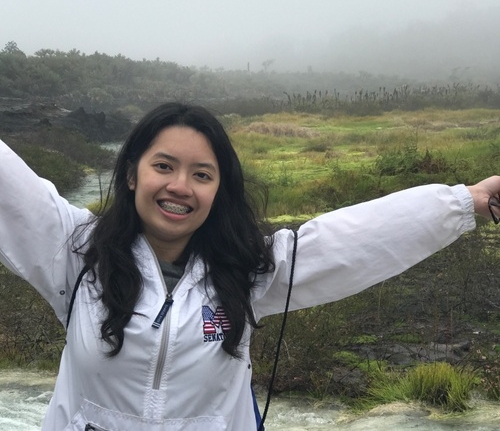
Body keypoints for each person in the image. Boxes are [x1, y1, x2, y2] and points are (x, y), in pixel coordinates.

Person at [1, 101, 500, 431]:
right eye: (163, 166)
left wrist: (465, 202)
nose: (180, 186)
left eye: (201, 174)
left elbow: (352, 239)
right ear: (132, 174)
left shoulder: (251, 269)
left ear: (218, 192)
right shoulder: (76, 252)